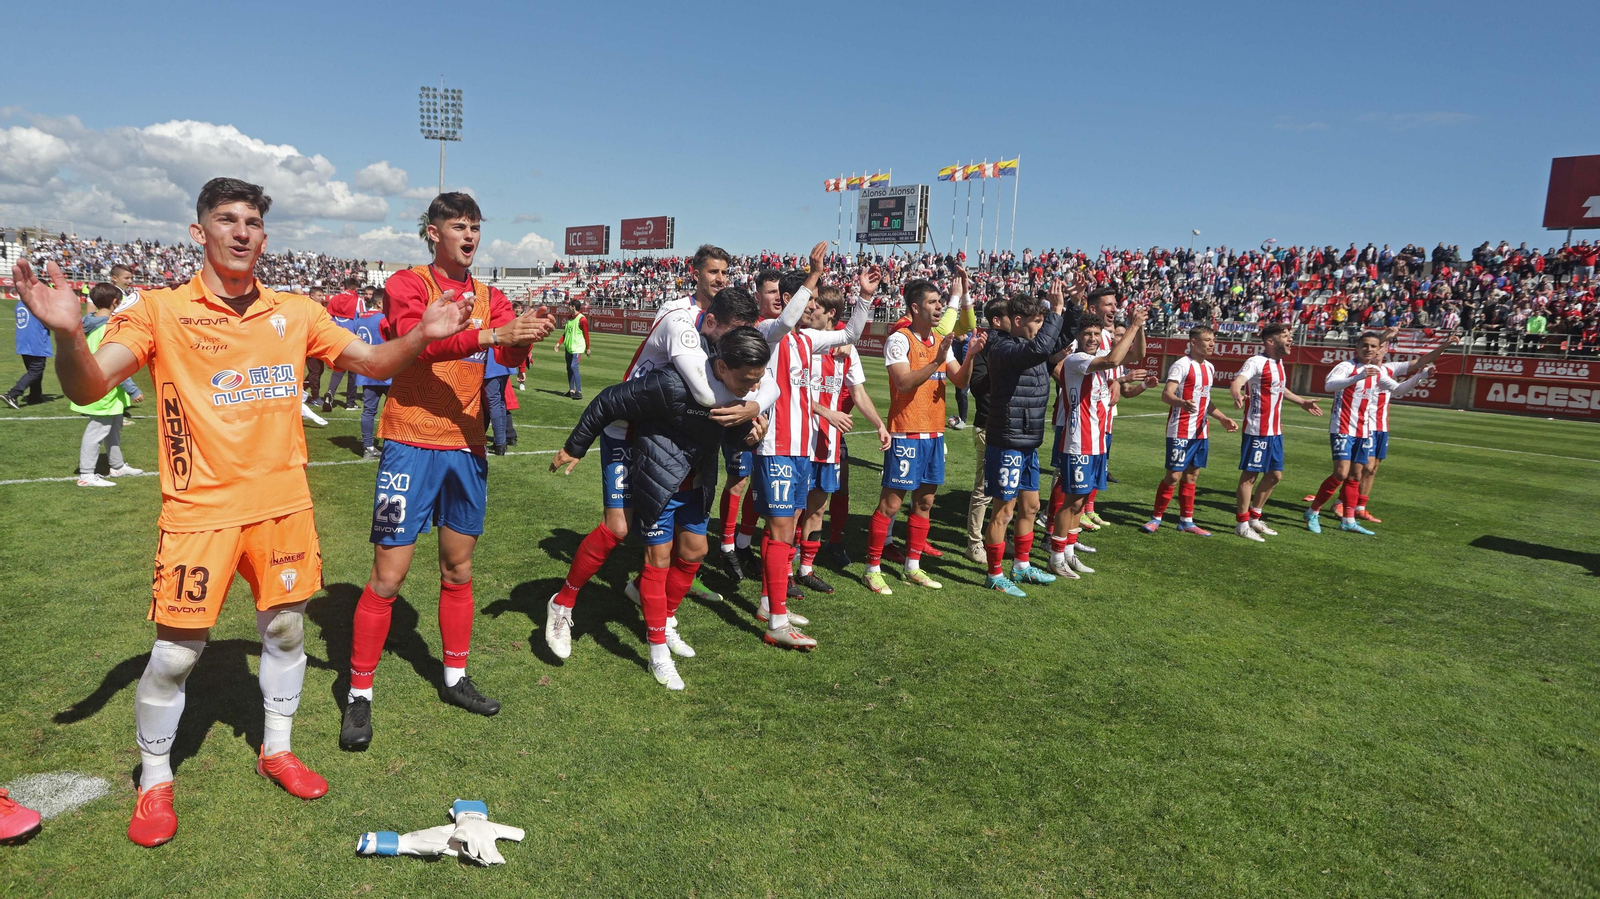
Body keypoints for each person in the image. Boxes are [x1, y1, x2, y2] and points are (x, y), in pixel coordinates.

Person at [10, 176, 476, 848]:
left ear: (264, 235)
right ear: (198, 233)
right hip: (198, 514)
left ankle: (277, 748)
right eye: (225, 218)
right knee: (175, 654)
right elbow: (89, 382)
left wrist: (424, 337)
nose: (240, 230)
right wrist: (66, 338)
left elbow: (372, 357)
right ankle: (156, 778)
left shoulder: (297, 309)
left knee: (286, 632)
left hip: (283, 507)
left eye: (252, 221)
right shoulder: (159, 310)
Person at [341, 192, 556, 751]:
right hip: (410, 443)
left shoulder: (493, 296)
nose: (469, 235)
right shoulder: (409, 284)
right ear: (432, 232)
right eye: (459, 226)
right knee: (388, 577)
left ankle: (455, 678)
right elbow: (423, 345)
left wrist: (526, 334)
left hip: (466, 446)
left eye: (476, 227)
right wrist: (490, 336)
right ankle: (360, 692)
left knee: (458, 571)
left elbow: (504, 360)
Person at [543, 267, 762, 661]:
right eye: (732, 333)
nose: (736, 342)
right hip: (623, 428)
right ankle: (562, 604)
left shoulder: (721, 350)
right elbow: (613, 401)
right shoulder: (684, 331)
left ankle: (652, 605)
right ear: (713, 322)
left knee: (691, 548)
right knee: (617, 527)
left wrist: (752, 410)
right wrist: (576, 446)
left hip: (657, 437)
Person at [749, 259, 875, 648]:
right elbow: (786, 321)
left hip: (802, 449)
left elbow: (851, 333)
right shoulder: (770, 332)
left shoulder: (808, 340)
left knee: (782, 529)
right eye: (810, 299)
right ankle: (777, 623)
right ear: (792, 298)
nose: (814, 306)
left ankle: (770, 606)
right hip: (776, 447)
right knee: (781, 529)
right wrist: (813, 277)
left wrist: (866, 298)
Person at [861, 272, 980, 594]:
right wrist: (936, 361)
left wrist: (969, 355)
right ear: (915, 308)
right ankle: (872, 568)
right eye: (933, 302)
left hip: (933, 434)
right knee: (891, 504)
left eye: (941, 302)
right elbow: (903, 383)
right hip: (905, 433)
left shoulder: (942, 342)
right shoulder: (900, 339)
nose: (939, 308)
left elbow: (960, 381)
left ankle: (912, 566)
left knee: (925, 502)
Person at [980, 282, 1073, 596]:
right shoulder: (1002, 345)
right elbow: (1041, 348)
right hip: (1007, 440)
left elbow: (1059, 338)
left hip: (1029, 441)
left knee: (1031, 507)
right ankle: (994, 574)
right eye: (1036, 321)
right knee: (1003, 511)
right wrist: (1056, 312)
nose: (1041, 327)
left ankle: (1021, 566)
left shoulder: (1030, 344)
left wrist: (1069, 306)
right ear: (1018, 321)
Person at [796, 287, 891, 594]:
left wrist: (879, 424)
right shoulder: (801, 344)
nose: (811, 312)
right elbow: (790, 390)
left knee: (818, 507)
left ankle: (806, 569)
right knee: (794, 508)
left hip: (827, 442)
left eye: (816, 309)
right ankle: (784, 566)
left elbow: (859, 393)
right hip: (798, 437)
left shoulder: (846, 351)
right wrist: (827, 412)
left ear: (831, 315)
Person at [1047, 308, 1146, 577]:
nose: (1092, 338)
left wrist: (1140, 328)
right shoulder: (1078, 360)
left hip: (1097, 444)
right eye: (1087, 333)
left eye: (1095, 334)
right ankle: (1056, 557)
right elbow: (1115, 359)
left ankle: (1068, 552)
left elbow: (1132, 357)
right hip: (1077, 442)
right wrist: (1134, 326)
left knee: (1080, 503)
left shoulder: (1099, 365)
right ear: (1078, 337)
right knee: (1070, 502)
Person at [715, 268, 781, 580]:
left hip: (764, 412)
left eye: (781, 292)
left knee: (756, 483)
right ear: (757, 296)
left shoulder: (782, 331)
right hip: (737, 408)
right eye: (771, 292)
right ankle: (727, 546)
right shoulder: (766, 327)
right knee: (738, 480)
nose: (778, 298)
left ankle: (741, 544)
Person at [1140, 326, 1238, 535]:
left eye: (1213, 340)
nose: (1212, 344)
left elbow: (1206, 400)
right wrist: (1181, 403)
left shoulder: (1209, 368)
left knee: (1192, 476)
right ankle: (1156, 518)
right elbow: (1166, 395)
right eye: (1207, 340)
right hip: (1180, 429)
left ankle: (1186, 521)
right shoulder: (1181, 365)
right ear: (1193, 342)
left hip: (1201, 431)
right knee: (1173, 476)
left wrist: (1222, 418)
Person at [1230, 322, 1323, 542]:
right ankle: (1242, 524)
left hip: (1274, 431)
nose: (1291, 339)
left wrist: (1301, 401)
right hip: (1257, 430)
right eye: (1286, 335)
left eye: (1290, 335)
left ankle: (1255, 517)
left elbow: (1279, 389)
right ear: (1271, 341)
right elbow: (1238, 381)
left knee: (1274, 475)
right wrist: (1236, 392)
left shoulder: (1278, 363)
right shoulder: (1256, 361)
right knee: (1250, 477)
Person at [1303, 332, 1402, 536]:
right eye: (1364, 345)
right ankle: (1313, 512)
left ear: (1378, 349)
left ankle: (1348, 520)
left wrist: (1422, 376)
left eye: (1373, 346)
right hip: (1342, 426)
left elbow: (1398, 390)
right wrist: (1358, 377)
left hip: (1364, 429)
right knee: (1340, 472)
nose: (1369, 349)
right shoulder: (1346, 367)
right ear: (1356, 347)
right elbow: (1329, 385)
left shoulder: (1376, 371)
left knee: (1356, 474)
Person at [1352, 333, 1457, 520]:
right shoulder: (1358, 368)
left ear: (1384, 350)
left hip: (1382, 426)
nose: (1374, 350)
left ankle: (1360, 507)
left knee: (1373, 468)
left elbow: (1422, 361)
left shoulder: (1390, 369)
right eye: (1371, 346)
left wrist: (1444, 345)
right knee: (1363, 466)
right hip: (1364, 424)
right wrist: (1385, 334)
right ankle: (1342, 502)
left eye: (1379, 346)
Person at [70, 283, 143, 486]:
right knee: (97, 431)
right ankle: (86, 475)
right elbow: (113, 364)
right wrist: (133, 389)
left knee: (112, 430)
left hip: (107, 389)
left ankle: (117, 466)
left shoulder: (89, 324)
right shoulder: (106, 328)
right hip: (104, 388)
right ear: (115, 302)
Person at [963, 298, 1010, 562]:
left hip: (1011, 425)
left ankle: (997, 537)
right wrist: (999, 366)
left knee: (1009, 488)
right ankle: (974, 544)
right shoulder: (982, 346)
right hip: (988, 425)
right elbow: (977, 387)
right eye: (1009, 316)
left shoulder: (1016, 345)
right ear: (996, 320)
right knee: (984, 489)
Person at [5, 284, 52, 410]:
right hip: (35, 341)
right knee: (36, 369)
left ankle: (35, 396)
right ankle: (12, 394)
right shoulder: (36, 304)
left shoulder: (21, 303)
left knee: (35, 370)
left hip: (23, 341)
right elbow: (50, 321)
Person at [351, 304, 389, 460]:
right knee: (393, 411)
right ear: (381, 303)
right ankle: (392, 446)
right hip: (387, 370)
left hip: (367, 371)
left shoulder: (359, 320)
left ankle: (368, 447)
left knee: (368, 411)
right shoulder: (383, 319)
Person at [556, 298, 589, 399]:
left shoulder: (582, 319)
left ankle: (578, 391)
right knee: (569, 368)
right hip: (569, 347)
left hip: (577, 348)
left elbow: (586, 334)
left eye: (569, 306)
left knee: (574, 367)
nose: (568, 308)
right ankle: (571, 390)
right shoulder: (569, 318)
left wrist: (588, 348)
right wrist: (559, 343)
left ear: (573, 307)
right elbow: (566, 333)